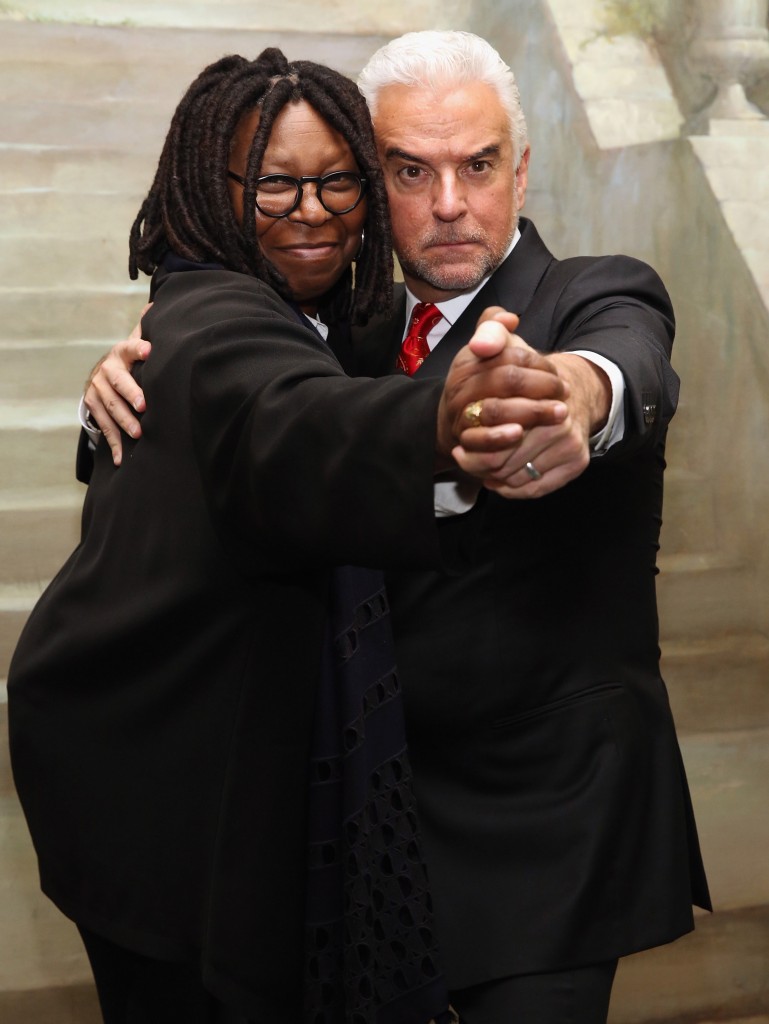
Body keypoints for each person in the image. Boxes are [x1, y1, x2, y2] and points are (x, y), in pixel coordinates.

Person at [78, 31, 712, 1024]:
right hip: (352, 828)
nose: (449, 203)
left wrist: (575, 397)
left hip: (540, 832)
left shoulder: (590, 291)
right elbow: (263, 425)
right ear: (369, 183)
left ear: (522, 168)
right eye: (411, 170)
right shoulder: (330, 332)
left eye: (477, 165)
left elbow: (626, 360)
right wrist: (126, 383)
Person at [7, 47, 571, 1024]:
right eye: (275, 185)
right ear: (215, 193)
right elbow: (294, 422)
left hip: (193, 750)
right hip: (144, 786)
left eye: (337, 182)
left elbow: (317, 399)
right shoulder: (221, 322)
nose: (311, 211)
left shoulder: (317, 315)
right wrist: (443, 424)